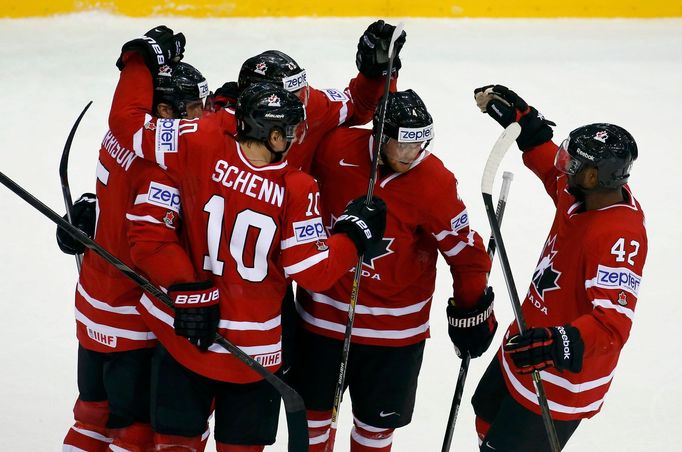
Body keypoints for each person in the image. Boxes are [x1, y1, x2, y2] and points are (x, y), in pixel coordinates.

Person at [112, 29, 388, 451]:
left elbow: (360, 102)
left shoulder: (198, 135)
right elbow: (313, 269)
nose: (303, 118)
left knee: (174, 435)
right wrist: (353, 236)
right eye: (293, 117)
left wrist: (376, 72)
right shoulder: (297, 187)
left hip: (194, 314)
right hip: (251, 330)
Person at [291, 89, 497, 451]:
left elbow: (466, 253)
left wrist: (471, 310)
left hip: (394, 336)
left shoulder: (434, 182)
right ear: (380, 136)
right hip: (322, 323)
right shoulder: (335, 149)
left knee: (375, 434)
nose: (410, 156)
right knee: (311, 427)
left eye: (418, 145)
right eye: (401, 145)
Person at [471, 85, 648, 451]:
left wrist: (559, 343)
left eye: (575, 164)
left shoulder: (619, 236)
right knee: (485, 414)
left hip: (560, 376)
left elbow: (612, 325)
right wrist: (529, 127)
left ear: (595, 177)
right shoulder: (580, 193)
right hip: (525, 343)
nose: (565, 166)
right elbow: (550, 167)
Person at [57, 27, 209, 451]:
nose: (204, 115)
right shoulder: (160, 163)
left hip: (92, 303)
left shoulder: (117, 139)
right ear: (163, 110)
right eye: (195, 107)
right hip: (130, 315)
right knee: (134, 432)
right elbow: (156, 239)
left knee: (90, 417)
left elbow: (111, 196)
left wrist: (86, 211)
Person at [210, 19, 406, 173]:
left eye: (301, 91)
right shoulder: (217, 129)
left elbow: (358, 105)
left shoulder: (311, 106)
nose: (300, 102)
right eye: (290, 94)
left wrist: (375, 73)